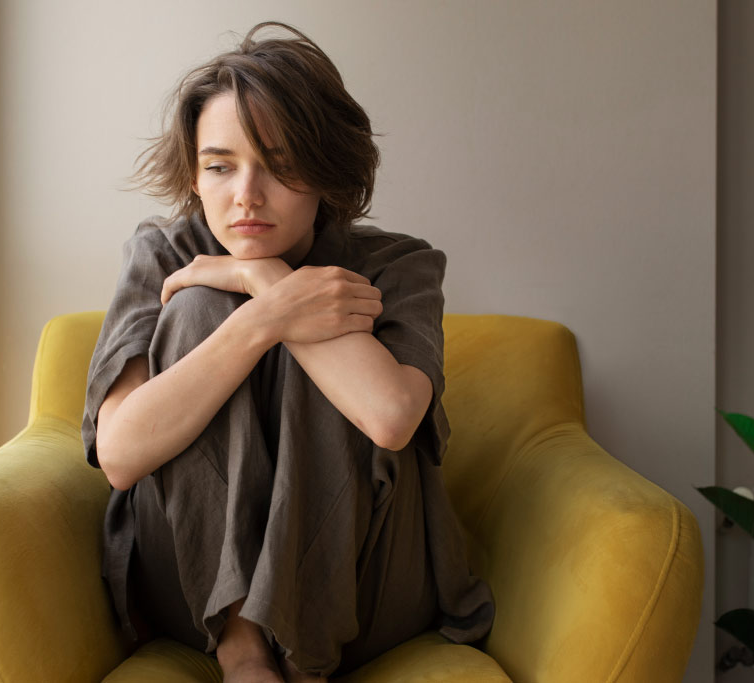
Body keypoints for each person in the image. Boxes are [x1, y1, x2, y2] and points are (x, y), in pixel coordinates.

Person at [81, 21, 494, 682]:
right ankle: (242, 646)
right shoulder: (161, 254)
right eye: (220, 166)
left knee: (332, 341)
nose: (245, 193)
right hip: (194, 591)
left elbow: (388, 415)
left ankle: (306, 658)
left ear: (328, 170)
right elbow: (121, 454)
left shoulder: (402, 264)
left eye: (278, 165)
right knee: (195, 308)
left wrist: (264, 281)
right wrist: (261, 317)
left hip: (369, 585)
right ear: (195, 171)